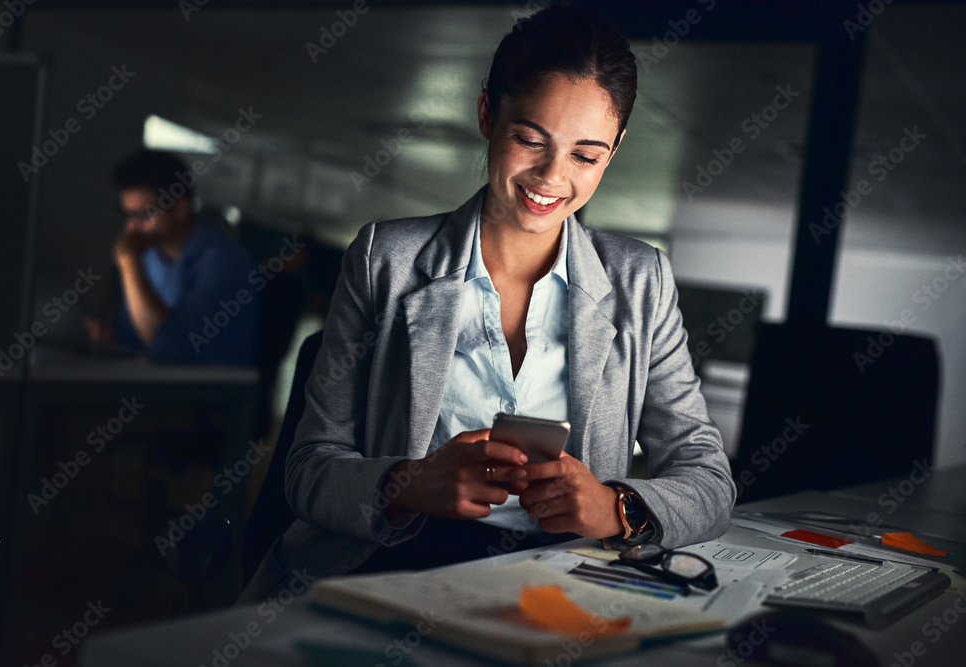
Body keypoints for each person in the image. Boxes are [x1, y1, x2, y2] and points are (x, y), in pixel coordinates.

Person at [240, 4, 735, 601]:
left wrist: (616, 507)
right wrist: (407, 484)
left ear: (615, 149)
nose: (552, 177)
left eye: (586, 155)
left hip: (558, 581)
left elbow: (708, 479)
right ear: (486, 113)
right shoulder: (385, 259)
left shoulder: (641, 280)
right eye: (530, 139)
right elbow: (307, 470)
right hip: (392, 566)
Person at [86, 150, 258, 365]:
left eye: (144, 215)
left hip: (205, 393)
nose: (130, 228)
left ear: (179, 208)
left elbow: (169, 348)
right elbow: (133, 337)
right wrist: (109, 339)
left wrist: (129, 264)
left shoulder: (222, 261)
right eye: (128, 215)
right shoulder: (148, 254)